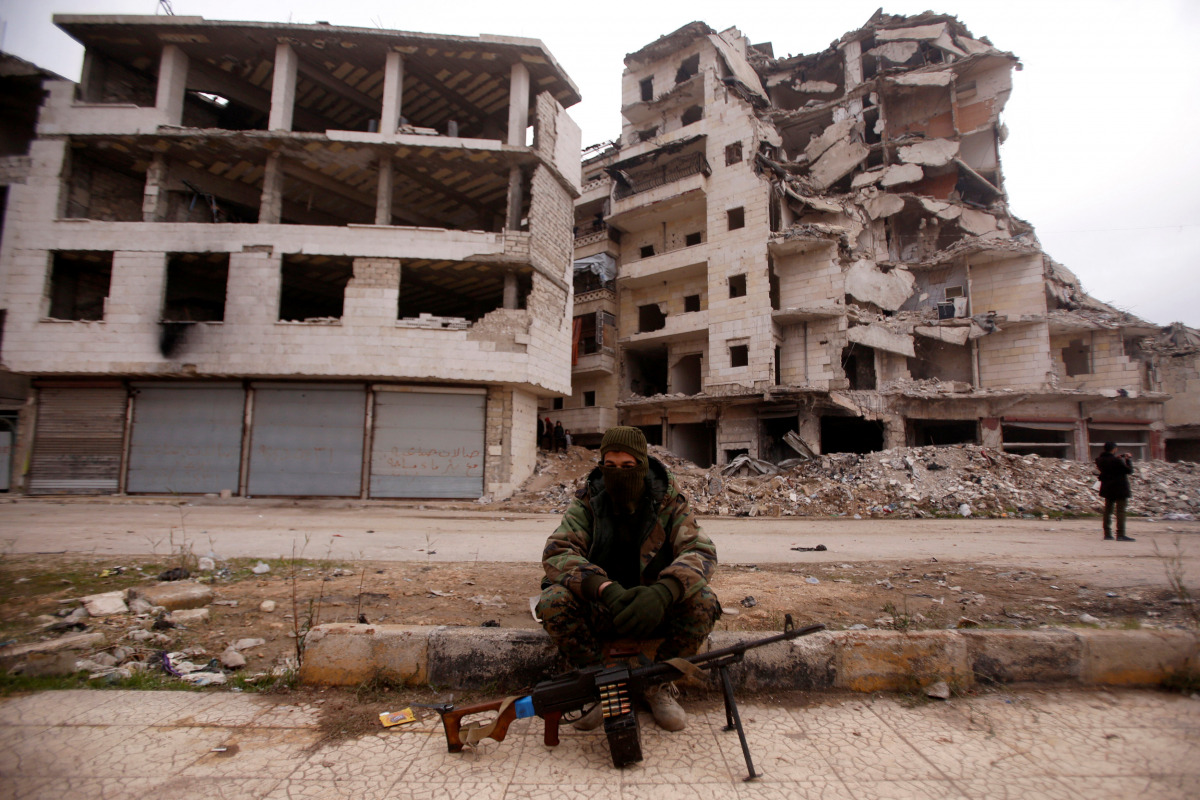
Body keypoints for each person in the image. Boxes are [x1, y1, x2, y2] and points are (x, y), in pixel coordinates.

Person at [537, 426, 720, 733]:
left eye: (627, 467)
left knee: (703, 601)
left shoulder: (669, 502)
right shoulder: (588, 502)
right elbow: (558, 551)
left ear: (642, 466)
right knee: (553, 602)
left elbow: (700, 550)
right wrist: (604, 589)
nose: (618, 474)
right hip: (603, 605)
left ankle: (657, 683)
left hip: (653, 607)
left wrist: (664, 592)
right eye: (609, 467)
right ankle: (598, 683)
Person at [1095, 441, 1135, 542]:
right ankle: (1120, 534)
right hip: (1120, 488)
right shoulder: (1116, 461)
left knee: (1108, 511)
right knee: (1120, 511)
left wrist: (1119, 457)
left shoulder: (1099, 460)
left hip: (1108, 488)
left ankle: (1107, 534)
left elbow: (1109, 463)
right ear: (1114, 449)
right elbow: (1129, 471)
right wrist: (1128, 460)